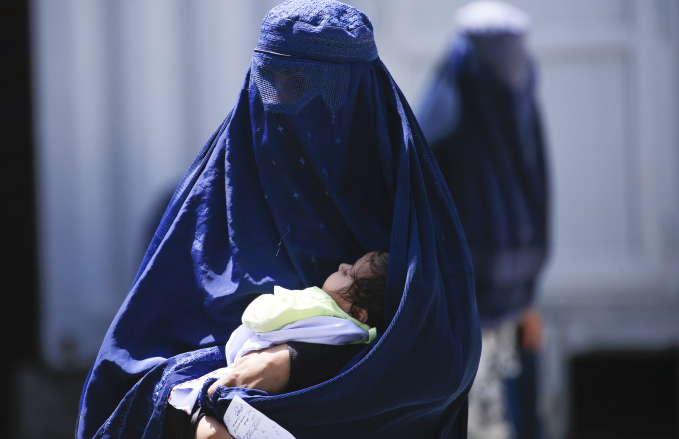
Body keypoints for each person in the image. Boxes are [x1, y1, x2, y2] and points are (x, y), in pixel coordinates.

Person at [76, 1, 481, 438]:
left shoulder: (408, 218)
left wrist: (295, 365)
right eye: (278, 88)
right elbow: (129, 373)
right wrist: (199, 416)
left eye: (318, 92)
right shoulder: (212, 207)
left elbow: (441, 363)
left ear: (366, 99)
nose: (295, 112)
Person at [416, 2, 549, 439]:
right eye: (500, 51)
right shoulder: (442, 129)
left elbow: (532, 203)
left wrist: (528, 299)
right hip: (463, 326)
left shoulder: (518, 108)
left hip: (514, 314)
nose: (513, 63)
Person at [165, 250, 387, 437]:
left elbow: (261, 319)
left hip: (237, 384)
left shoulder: (318, 305)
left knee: (188, 403)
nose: (341, 266)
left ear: (358, 312)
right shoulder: (364, 342)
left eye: (348, 273)